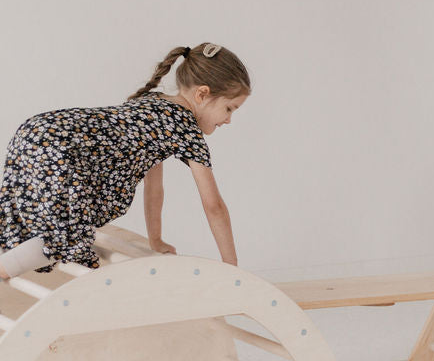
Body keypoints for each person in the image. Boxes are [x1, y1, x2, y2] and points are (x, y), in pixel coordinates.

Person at [0, 43, 250, 279]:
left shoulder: (153, 101)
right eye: (229, 109)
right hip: (63, 148)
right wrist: (232, 268)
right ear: (202, 94)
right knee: (61, 238)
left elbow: (155, 188)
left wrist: (156, 240)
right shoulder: (185, 128)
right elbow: (213, 205)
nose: (228, 120)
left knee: (25, 217)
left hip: (39, 130)